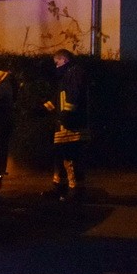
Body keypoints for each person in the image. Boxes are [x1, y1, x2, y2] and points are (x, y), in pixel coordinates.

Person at [43, 48, 91, 201]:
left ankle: (75, 190)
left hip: (71, 125)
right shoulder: (65, 76)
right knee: (60, 157)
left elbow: (73, 96)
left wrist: (66, 116)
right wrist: (43, 109)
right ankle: (59, 187)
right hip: (63, 125)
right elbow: (58, 99)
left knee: (71, 157)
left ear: (64, 60)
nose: (56, 66)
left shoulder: (74, 73)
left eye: (57, 63)